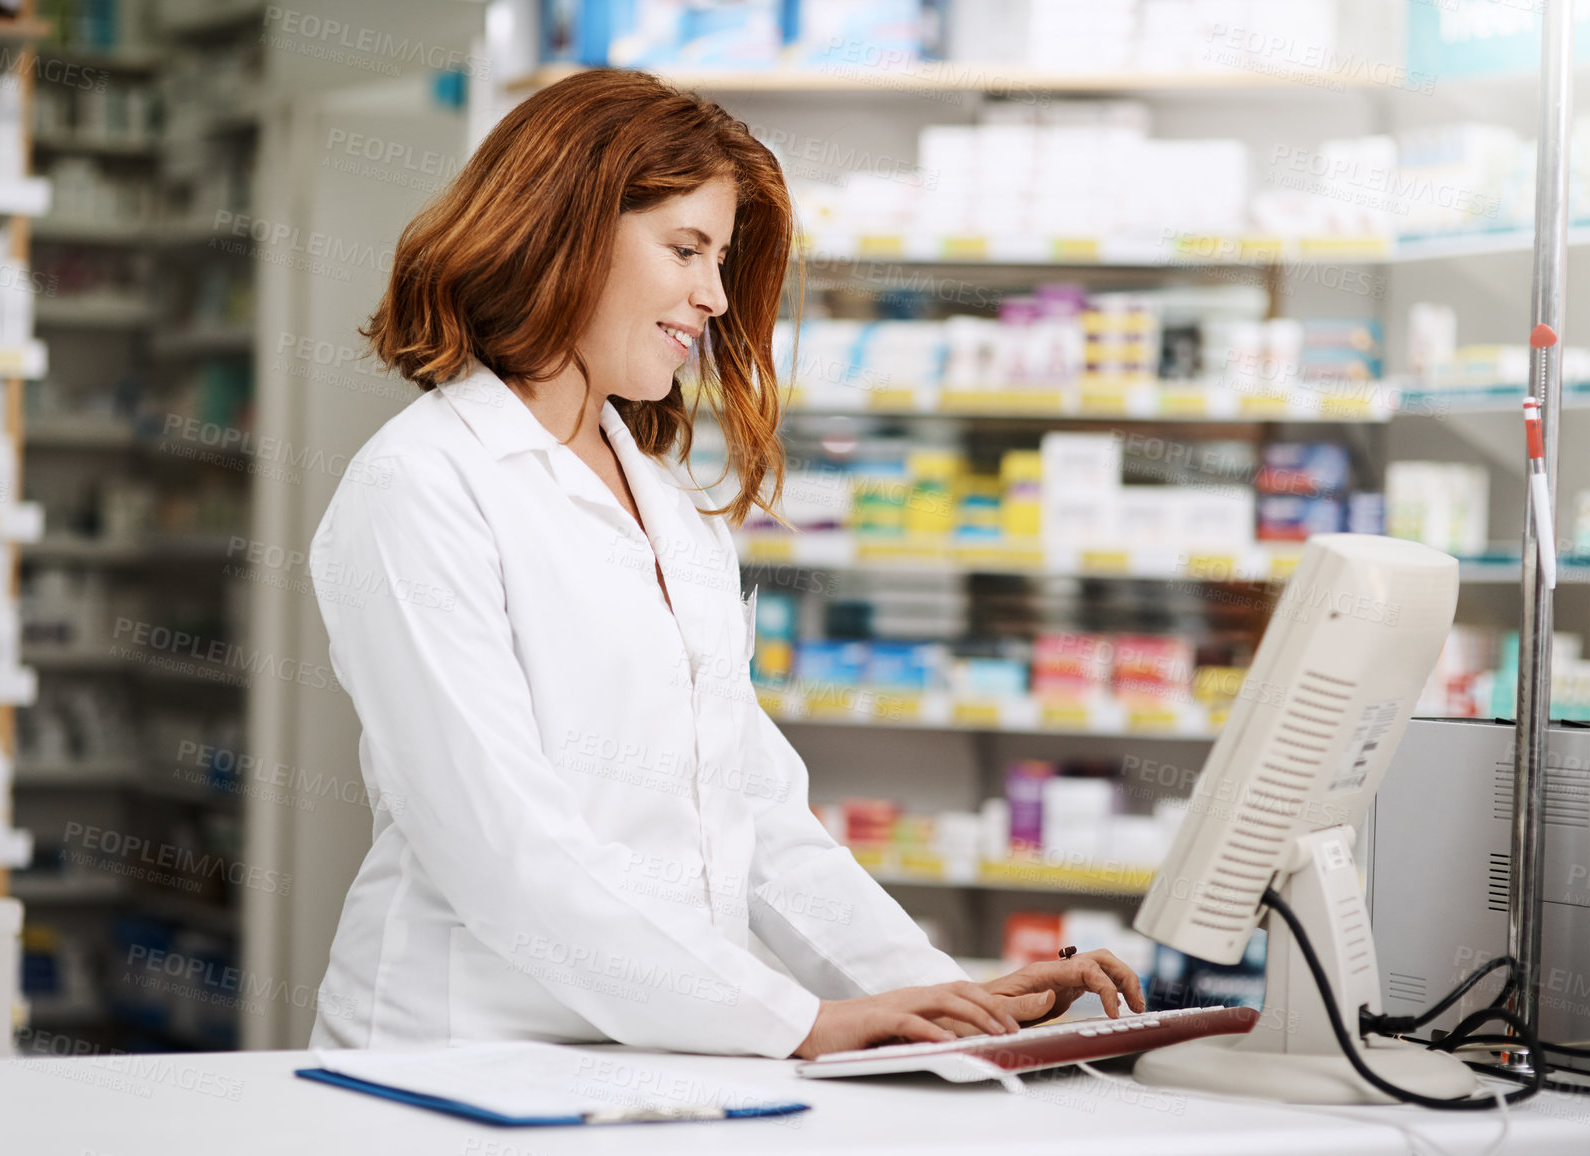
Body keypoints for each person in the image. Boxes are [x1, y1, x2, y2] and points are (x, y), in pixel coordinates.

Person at [306, 68, 1144, 1060]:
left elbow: (755, 819)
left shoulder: (665, 497)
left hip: (655, 1057)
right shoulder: (424, 483)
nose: (711, 296)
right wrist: (798, 1022)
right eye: (685, 248)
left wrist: (947, 999)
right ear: (564, 227)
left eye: (722, 258)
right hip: (457, 1057)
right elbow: (503, 844)